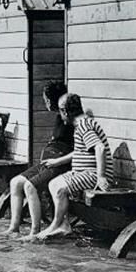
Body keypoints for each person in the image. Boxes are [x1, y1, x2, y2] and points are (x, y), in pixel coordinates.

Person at [38, 93, 113, 239]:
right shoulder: (82, 124)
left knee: (59, 188)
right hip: (84, 172)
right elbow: (79, 151)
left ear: (65, 111)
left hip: (92, 174)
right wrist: (57, 162)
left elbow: (99, 147)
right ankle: (63, 224)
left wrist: (101, 176)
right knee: (54, 184)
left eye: (60, 111)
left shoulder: (84, 125)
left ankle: (57, 225)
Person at [6, 81, 73, 237]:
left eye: (46, 99)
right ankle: (14, 227)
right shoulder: (59, 117)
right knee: (15, 182)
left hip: (59, 164)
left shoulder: (70, 120)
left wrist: (57, 160)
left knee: (30, 186)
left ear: (51, 100)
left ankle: (34, 231)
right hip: (48, 163)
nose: (45, 103)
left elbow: (76, 150)